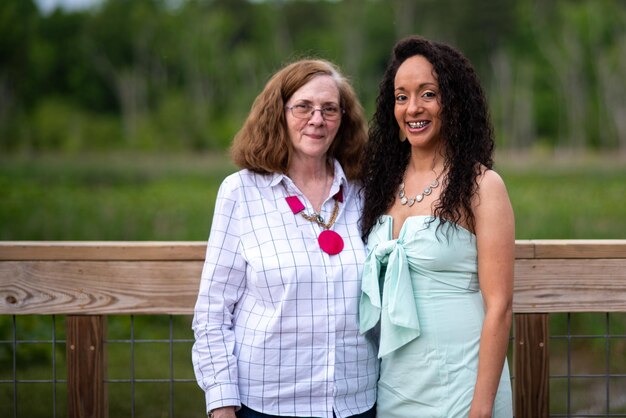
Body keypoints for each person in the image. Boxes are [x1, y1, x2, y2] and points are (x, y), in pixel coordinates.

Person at [192, 59, 379, 418]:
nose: (317, 119)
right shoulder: (240, 192)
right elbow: (213, 313)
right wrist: (221, 404)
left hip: (356, 402)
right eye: (303, 107)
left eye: (329, 109)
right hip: (268, 404)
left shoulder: (364, 192)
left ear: (343, 119)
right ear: (278, 113)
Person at [359, 35, 514, 417]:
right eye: (401, 96)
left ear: (453, 102)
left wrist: (481, 408)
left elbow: (500, 306)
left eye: (428, 94)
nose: (413, 108)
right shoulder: (379, 184)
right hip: (395, 383)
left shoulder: (481, 186)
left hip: (462, 383)